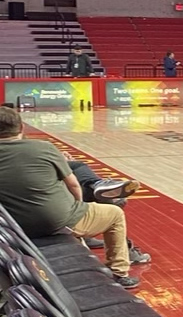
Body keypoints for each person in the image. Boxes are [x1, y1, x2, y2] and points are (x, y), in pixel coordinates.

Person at [0, 107, 141, 288]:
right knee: (115, 213)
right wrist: (80, 206)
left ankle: (96, 188)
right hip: (55, 221)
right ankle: (119, 273)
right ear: (21, 128)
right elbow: (73, 185)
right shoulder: (44, 147)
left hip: (11, 228)